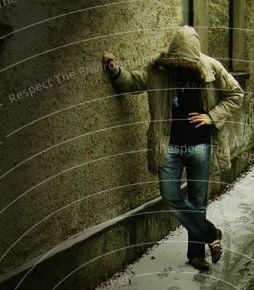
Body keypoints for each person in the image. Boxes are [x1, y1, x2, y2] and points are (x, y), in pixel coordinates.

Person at [102, 26, 244, 271]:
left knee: (198, 201)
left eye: (188, 62)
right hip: (168, 144)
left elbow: (235, 94)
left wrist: (211, 116)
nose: (183, 67)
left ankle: (196, 254)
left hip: (200, 145)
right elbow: (132, 82)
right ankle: (212, 234)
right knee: (171, 196)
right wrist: (115, 71)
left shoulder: (211, 67)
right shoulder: (157, 69)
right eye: (178, 62)